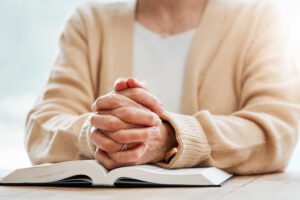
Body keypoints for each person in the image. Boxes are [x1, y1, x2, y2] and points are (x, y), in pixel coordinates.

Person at [25, 0, 300, 175]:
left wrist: (171, 137)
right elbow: (42, 125)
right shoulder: (90, 21)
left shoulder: (259, 18)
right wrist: (99, 134)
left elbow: (277, 128)